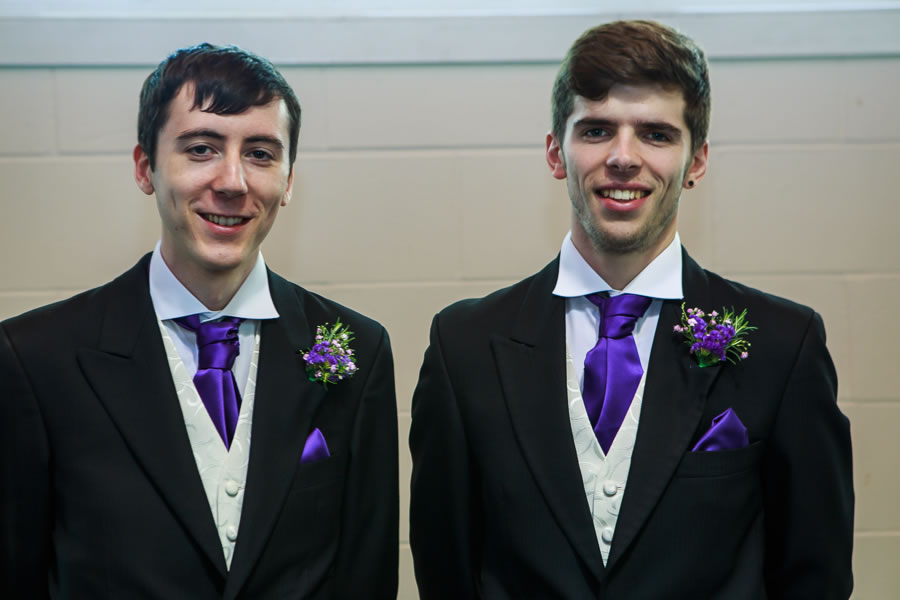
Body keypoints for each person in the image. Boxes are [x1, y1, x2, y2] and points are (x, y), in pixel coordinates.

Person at [409, 20, 853, 598]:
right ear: (555, 152)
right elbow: (446, 568)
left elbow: (814, 575)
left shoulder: (785, 345)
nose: (623, 158)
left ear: (696, 162)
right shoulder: (463, 345)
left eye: (656, 135)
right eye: (596, 130)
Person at [1, 43, 398, 598]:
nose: (233, 181)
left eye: (260, 153)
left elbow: (366, 570)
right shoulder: (35, 358)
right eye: (201, 149)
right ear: (146, 168)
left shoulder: (357, 348)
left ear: (288, 180)